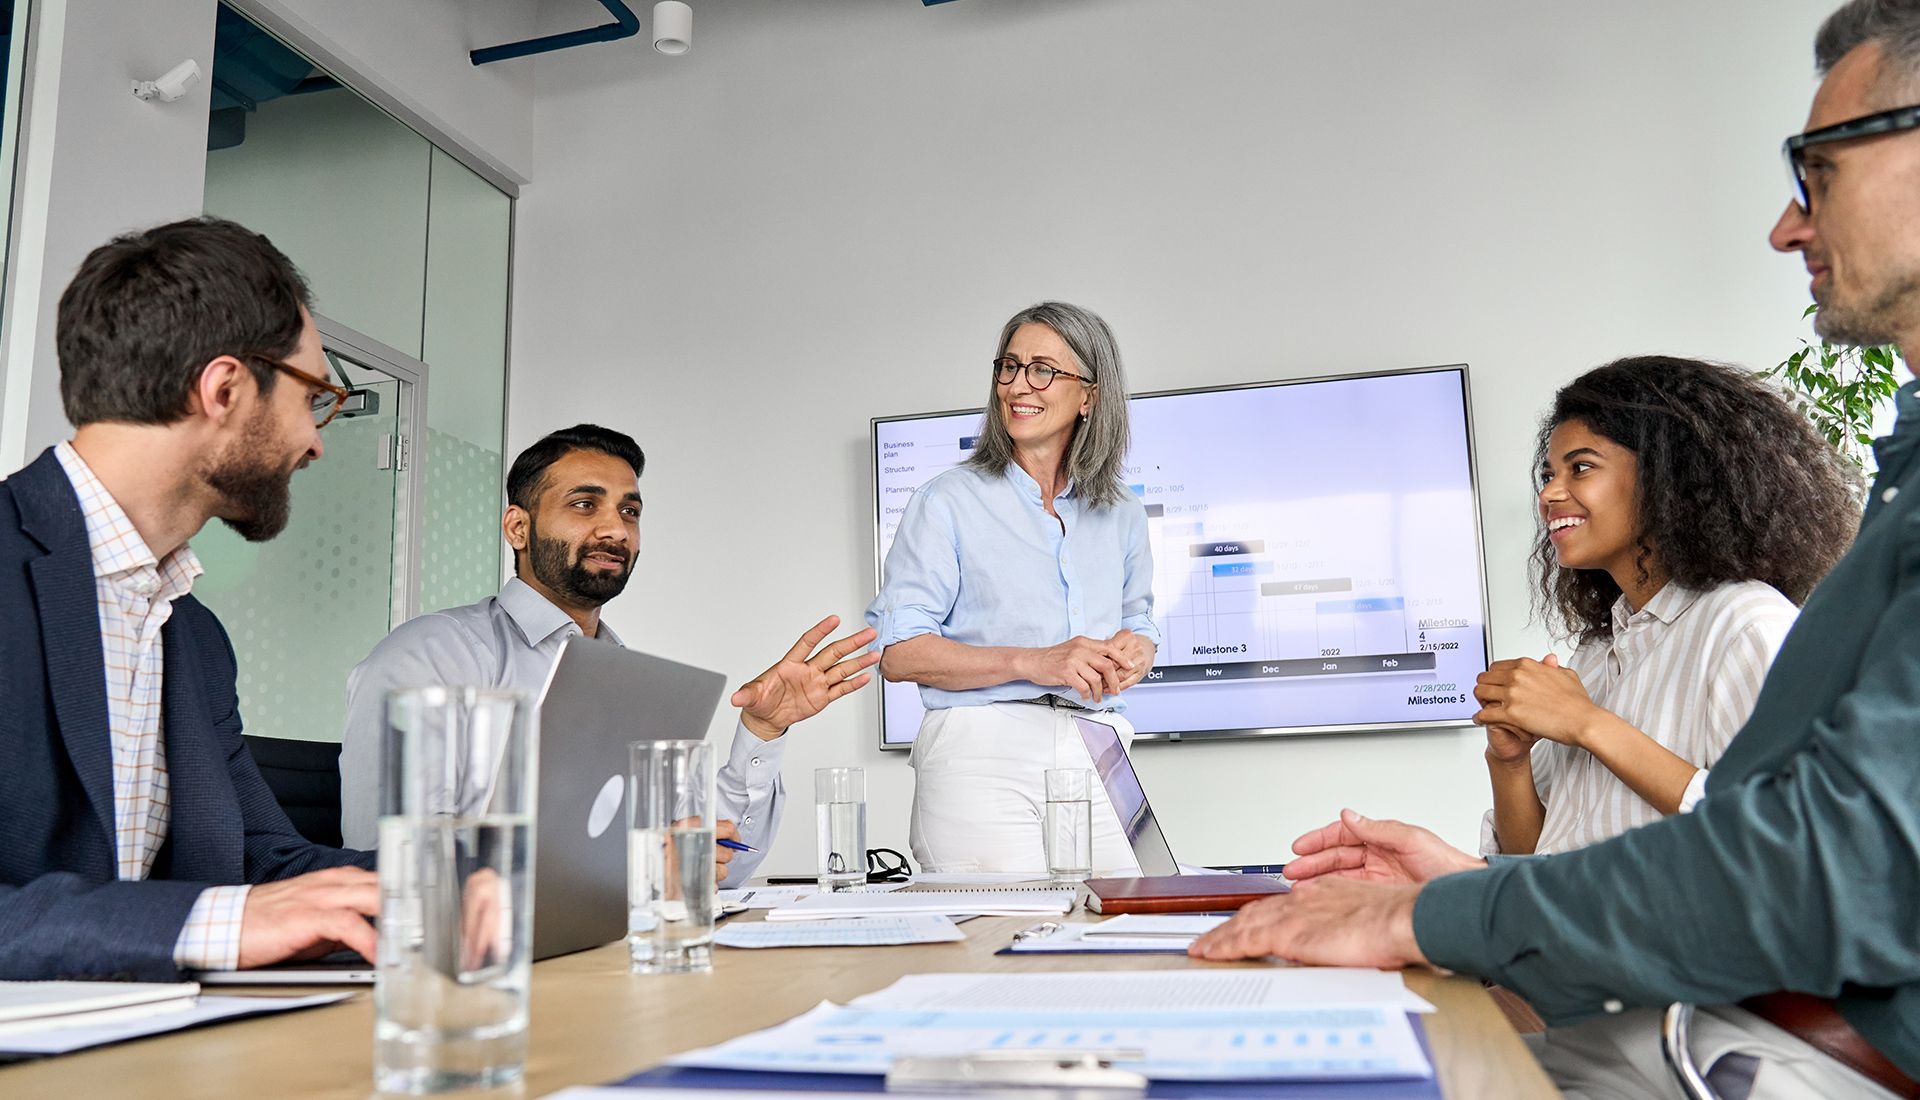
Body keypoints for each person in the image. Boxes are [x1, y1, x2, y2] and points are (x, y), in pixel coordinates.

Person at [1192, 4, 1920, 1096]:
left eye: (1819, 170)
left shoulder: (1742, 619)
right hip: (1690, 1018)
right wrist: (1464, 874)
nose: (1786, 225)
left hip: (1751, 1040)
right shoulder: (1634, 630)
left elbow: (1814, 869)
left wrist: (1438, 909)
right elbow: (1728, 843)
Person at [0, 216, 381, 982]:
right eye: (315, 398)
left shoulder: (192, 633)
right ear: (225, 389)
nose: (316, 442)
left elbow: (261, 864)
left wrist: (475, 875)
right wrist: (212, 923)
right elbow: (237, 911)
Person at [339, 424, 876, 885]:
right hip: (485, 966)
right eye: (584, 505)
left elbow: (714, 869)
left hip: (609, 956)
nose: (616, 529)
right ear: (518, 528)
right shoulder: (430, 657)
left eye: (629, 511)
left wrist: (762, 730)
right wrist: (635, 870)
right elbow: (397, 872)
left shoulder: (626, 678)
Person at [1479, 357, 1855, 858]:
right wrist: (1509, 762)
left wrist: (1588, 723)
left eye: (1581, 467)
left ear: (1666, 477)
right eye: (1549, 474)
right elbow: (1531, 856)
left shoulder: (1746, 625)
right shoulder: (1598, 651)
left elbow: (1785, 829)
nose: (1549, 493)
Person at [867, 301, 1159, 874]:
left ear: (1090, 395)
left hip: (1097, 743)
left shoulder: (1122, 510)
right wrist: (1035, 661)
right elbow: (898, 653)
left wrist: (1138, 649)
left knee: (1125, 916)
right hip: (981, 748)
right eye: (1010, 366)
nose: (1018, 385)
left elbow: (1139, 620)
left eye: (1042, 370)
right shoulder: (945, 502)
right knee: (1003, 921)